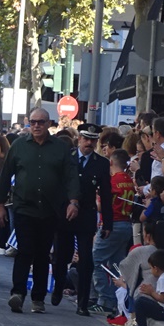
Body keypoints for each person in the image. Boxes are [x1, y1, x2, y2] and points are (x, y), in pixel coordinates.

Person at [0, 108, 80, 314]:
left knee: (42, 255)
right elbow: (5, 175)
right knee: (24, 251)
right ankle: (17, 293)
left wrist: (73, 201)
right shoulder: (19, 146)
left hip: (50, 210)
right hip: (24, 207)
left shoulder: (60, 148)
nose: (36, 126)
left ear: (48, 123)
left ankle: (38, 298)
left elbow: (71, 177)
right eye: (33, 122)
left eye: (40, 122)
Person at [52, 124, 113, 316]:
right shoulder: (66, 157)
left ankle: (83, 302)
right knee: (62, 255)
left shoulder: (101, 163)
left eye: (93, 140)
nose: (89, 143)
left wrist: (108, 222)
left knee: (86, 259)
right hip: (64, 214)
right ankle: (58, 284)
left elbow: (105, 193)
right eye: (86, 139)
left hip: (86, 214)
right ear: (79, 139)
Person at [91, 148, 134, 314]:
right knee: (118, 263)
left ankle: (106, 299)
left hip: (112, 224)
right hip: (126, 224)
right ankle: (119, 297)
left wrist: (95, 197)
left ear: (110, 162)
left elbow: (102, 206)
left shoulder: (112, 181)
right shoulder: (129, 180)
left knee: (97, 260)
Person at [125, 249, 164, 326]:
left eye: (151, 268)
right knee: (143, 300)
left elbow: (163, 299)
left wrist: (151, 292)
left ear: (156, 269)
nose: (151, 271)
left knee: (140, 302)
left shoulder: (163, 279)